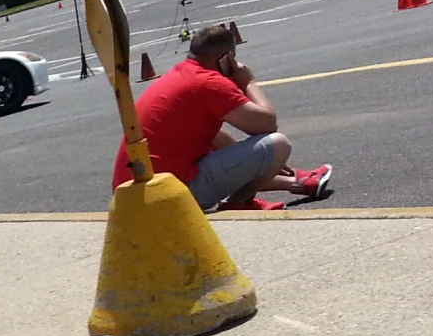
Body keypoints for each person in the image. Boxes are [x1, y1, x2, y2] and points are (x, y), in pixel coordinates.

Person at [114, 24, 333, 210]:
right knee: (279, 144)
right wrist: (248, 81)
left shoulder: (180, 76)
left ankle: (298, 181)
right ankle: (239, 203)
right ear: (225, 58)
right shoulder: (209, 82)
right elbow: (267, 124)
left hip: (136, 198)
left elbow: (218, 141)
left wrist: (268, 165)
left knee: (252, 152)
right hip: (170, 196)